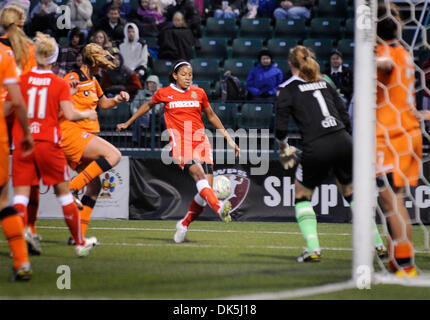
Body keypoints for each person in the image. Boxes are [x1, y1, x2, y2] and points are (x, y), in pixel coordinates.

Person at [275, 45, 386, 262]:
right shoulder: (325, 81)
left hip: (317, 145)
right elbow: (344, 116)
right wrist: (345, 141)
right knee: (350, 192)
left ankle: (314, 249)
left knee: (302, 195)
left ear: (291, 65)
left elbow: (280, 128)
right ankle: (379, 245)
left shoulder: (287, 89)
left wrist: (283, 147)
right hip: (343, 139)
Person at [116, 60, 240, 243]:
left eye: (190, 74)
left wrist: (228, 138)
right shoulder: (164, 93)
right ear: (174, 75)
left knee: (204, 194)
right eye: (184, 74)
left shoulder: (199, 93)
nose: (188, 78)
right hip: (181, 145)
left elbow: (211, 116)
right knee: (199, 176)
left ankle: (184, 224)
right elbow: (148, 105)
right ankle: (220, 206)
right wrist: (128, 122)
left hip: (201, 142)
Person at [10, 32, 99, 257]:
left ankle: (19, 244)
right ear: (54, 58)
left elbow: (10, 108)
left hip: (24, 143)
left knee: (20, 196)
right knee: (65, 195)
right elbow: (69, 113)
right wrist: (88, 112)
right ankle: (79, 242)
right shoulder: (58, 83)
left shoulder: (22, 80)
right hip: (49, 144)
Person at [374, 3, 427, 277]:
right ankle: (398, 259)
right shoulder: (404, 53)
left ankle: (405, 264)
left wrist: (368, 59)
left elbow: (383, 65)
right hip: (409, 133)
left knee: (392, 204)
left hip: (390, 136)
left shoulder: (385, 55)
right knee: (396, 202)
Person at [61, 43, 130, 244]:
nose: (101, 68)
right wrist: (69, 93)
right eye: (99, 64)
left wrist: (117, 99)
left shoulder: (94, 80)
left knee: (94, 188)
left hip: (83, 136)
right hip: (71, 133)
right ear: (92, 62)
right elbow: (59, 99)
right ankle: (70, 188)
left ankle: (77, 236)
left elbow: (103, 103)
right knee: (114, 155)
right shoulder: (73, 78)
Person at [0, 4, 42, 252]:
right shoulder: (29, 50)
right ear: (22, 22)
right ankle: (30, 229)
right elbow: (30, 88)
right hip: (23, 117)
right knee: (29, 177)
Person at [0, 44, 34, 281]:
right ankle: (21, 262)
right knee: (3, 200)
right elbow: (17, 101)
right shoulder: (5, 54)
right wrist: (26, 132)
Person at [130, 74, 163, 143]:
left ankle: (139, 139)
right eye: (149, 83)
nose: (151, 85)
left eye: (153, 83)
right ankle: (136, 140)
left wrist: (144, 112)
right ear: (147, 84)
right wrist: (137, 113)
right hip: (140, 115)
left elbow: (157, 109)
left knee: (143, 117)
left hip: (154, 117)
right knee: (138, 118)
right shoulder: (141, 94)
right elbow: (134, 105)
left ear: (157, 84)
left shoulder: (159, 94)